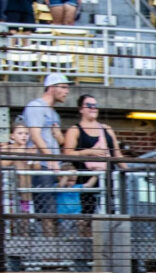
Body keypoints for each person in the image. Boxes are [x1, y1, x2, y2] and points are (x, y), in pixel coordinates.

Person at [22, 72, 70, 238]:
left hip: (53, 168)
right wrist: (51, 158)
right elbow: (35, 135)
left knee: (55, 213)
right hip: (41, 167)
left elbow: (60, 141)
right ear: (51, 88)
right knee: (46, 213)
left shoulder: (54, 113)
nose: (67, 91)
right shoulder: (36, 106)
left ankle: (54, 255)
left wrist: (58, 136)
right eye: (63, 87)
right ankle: (49, 258)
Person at [62, 95, 124, 222]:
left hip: (108, 179)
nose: (93, 108)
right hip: (85, 180)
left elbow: (117, 155)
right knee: (86, 218)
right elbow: (67, 154)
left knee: (111, 214)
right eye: (89, 105)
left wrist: (130, 171)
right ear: (81, 109)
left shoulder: (107, 129)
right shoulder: (75, 130)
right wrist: (90, 152)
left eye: (95, 105)